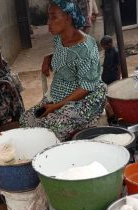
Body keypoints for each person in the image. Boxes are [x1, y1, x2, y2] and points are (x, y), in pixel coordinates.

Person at [20, 0, 106, 141]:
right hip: (58, 94)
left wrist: (57, 106)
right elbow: (65, 56)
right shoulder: (59, 39)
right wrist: (48, 58)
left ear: (68, 18)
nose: (48, 22)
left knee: (52, 131)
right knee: (26, 120)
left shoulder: (86, 48)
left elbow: (87, 87)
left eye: (53, 17)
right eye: (49, 17)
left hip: (83, 98)